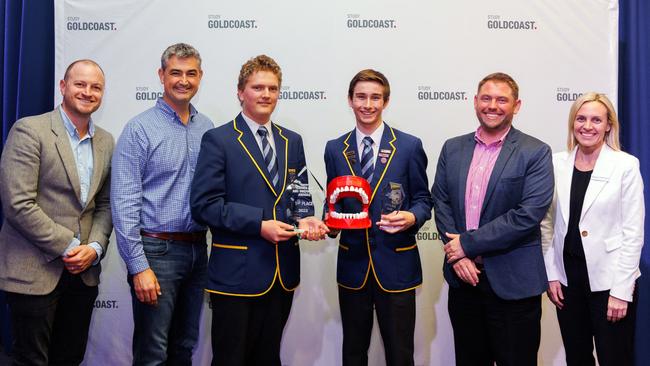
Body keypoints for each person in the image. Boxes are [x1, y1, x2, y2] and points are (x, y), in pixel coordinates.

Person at [190, 54, 328, 366]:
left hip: (283, 274)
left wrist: (306, 218)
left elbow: (299, 193)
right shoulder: (219, 139)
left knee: (268, 358)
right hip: (236, 275)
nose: (266, 94)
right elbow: (204, 206)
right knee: (231, 359)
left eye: (273, 88)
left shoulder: (292, 141)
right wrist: (259, 224)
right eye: (257, 87)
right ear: (241, 92)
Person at [431, 72, 554, 366]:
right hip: (465, 281)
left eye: (502, 100)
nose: (493, 106)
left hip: (513, 285)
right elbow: (442, 201)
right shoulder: (452, 147)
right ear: (475, 102)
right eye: (486, 98)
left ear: (517, 105)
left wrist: (467, 245)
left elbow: (527, 215)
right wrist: (458, 256)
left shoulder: (535, 151)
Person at [0, 59, 113, 366]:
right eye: (80, 84)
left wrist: (95, 247)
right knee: (31, 360)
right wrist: (70, 245)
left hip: (83, 275)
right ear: (63, 87)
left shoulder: (105, 141)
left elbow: (104, 204)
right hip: (34, 270)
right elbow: (17, 203)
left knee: (70, 357)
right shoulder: (29, 130)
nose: (87, 92)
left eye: (96, 87)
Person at [111, 43, 213, 365]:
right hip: (156, 253)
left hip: (198, 251)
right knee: (153, 352)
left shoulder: (206, 128)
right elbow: (124, 202)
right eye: (176, 73)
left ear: (200, 77)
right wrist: (139, 267)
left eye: (191, 73)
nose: (184, 80)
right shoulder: (139, 129)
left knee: (184, 346)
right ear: (161, 75)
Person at [323, 69, 433, 366]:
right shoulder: (335, 149)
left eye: (375, 97)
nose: (367, 104)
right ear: (350, 100)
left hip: (396, 264)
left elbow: (424, 200)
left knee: (400, 354)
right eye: (361, 97)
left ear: (386, 101)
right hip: (353, 265)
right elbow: (332, 200)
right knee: (353, 353)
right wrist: (328, 224)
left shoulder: (409, 146)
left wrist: (411, 216)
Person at [541, 92, 644, 366]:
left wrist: (622, 291)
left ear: (608, 125)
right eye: (581, 118)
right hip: (567, 281)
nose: (588, 126)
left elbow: (633, 233)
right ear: (572, 123)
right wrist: (551, 274)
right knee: (576, 357)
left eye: (596, 120)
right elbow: (546, 224)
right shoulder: (555, 162)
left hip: (610, 282)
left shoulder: (625, 165)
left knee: (615, 358)